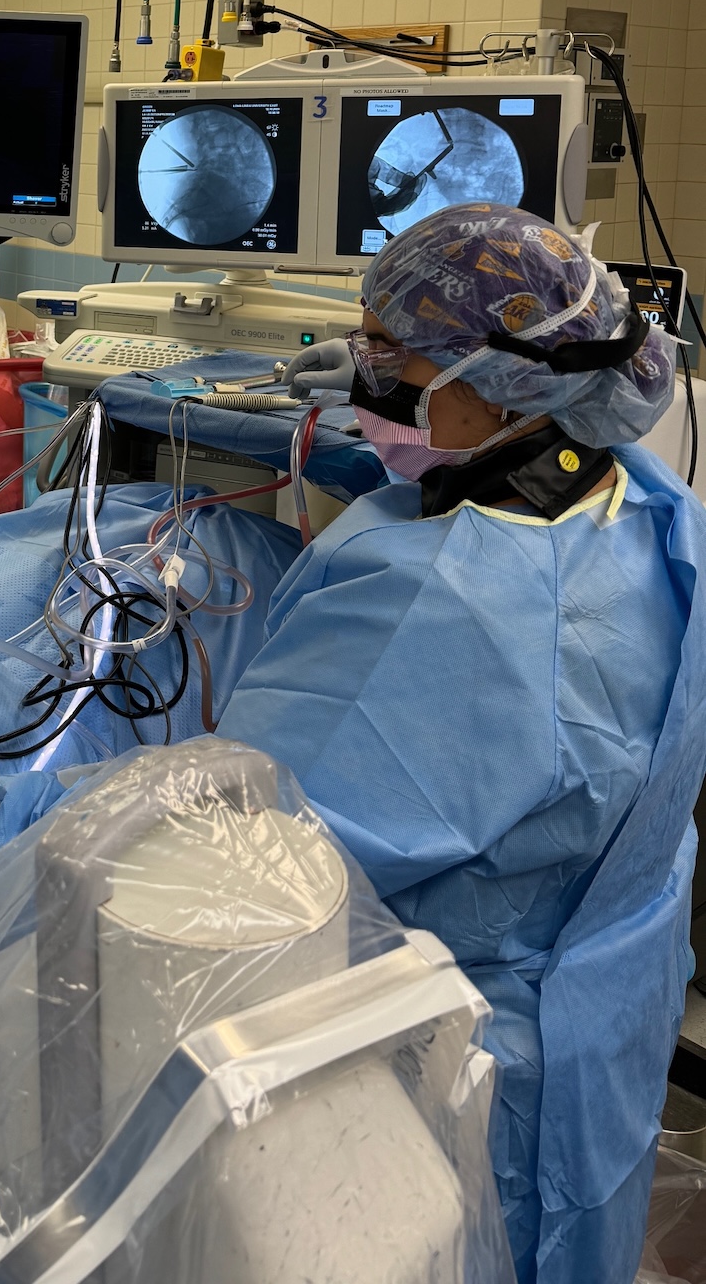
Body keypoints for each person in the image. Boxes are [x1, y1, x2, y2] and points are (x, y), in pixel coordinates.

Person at [217, 204, 706, 1284]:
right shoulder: (641, 505)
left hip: (455, 1056)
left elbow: (250, 859)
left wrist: (6, 827)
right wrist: (391, 414)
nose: (369, 373)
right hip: (602, 1010)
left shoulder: (442, 607)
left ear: (505, 383)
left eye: (393, 353)